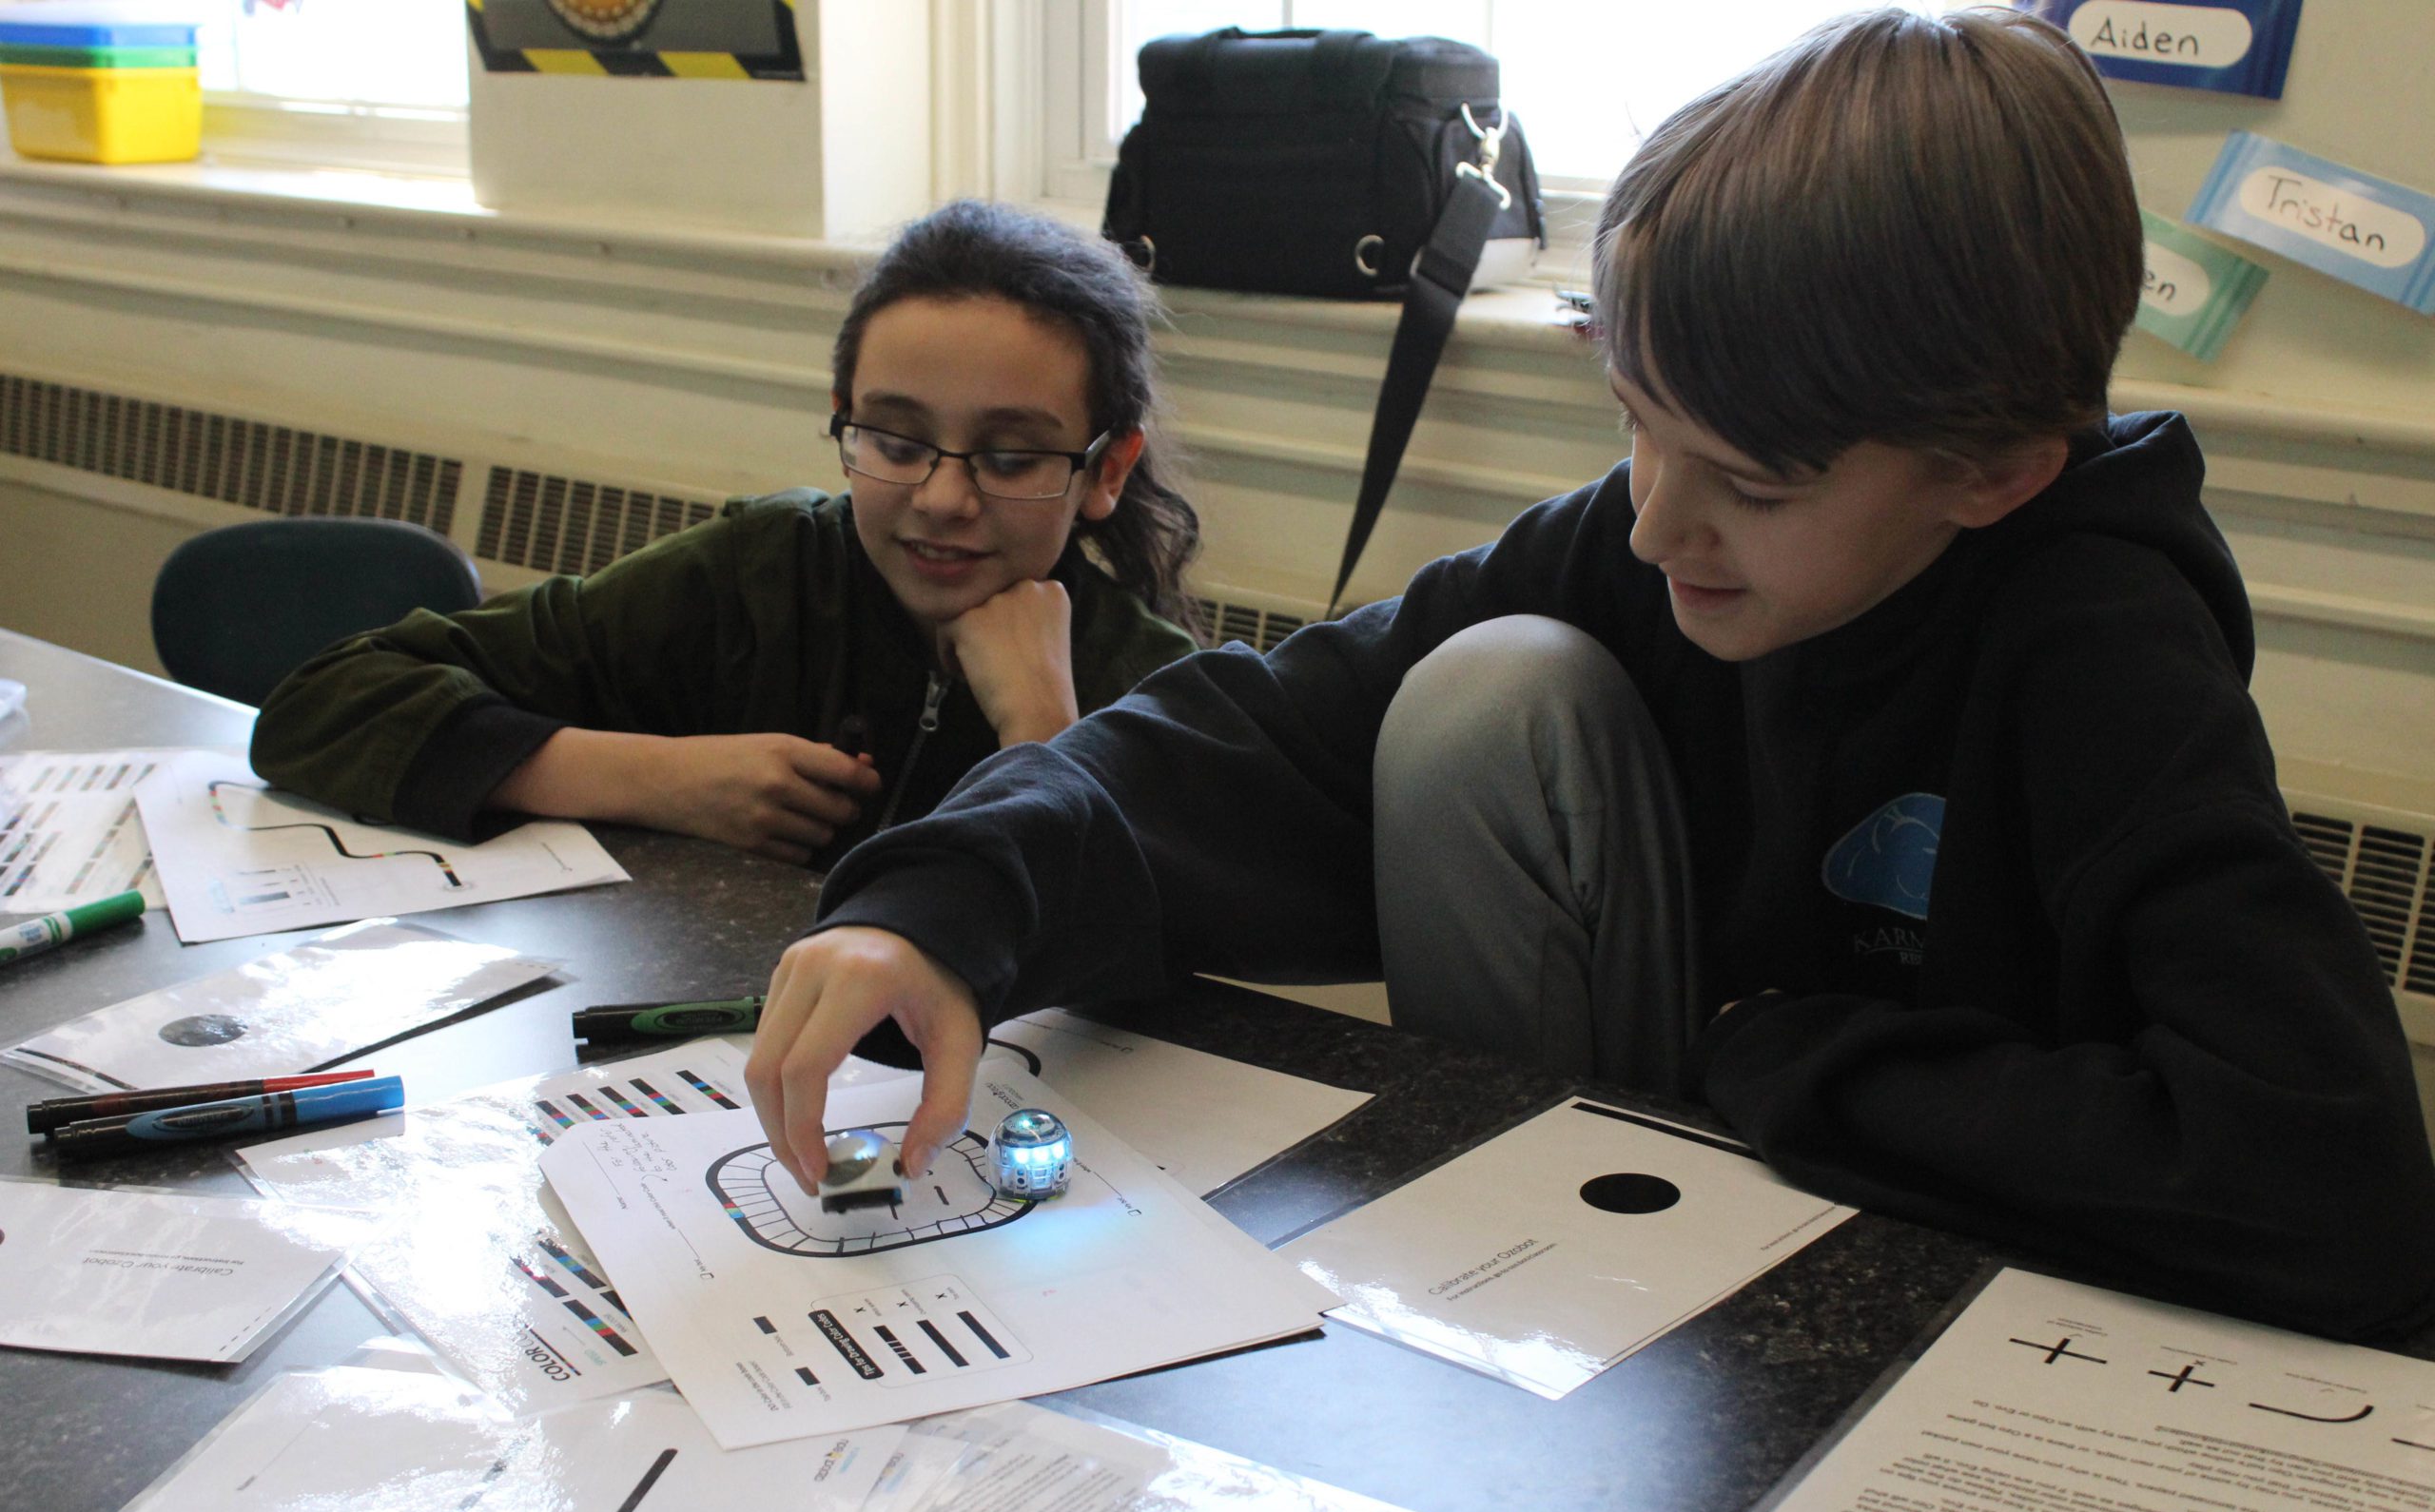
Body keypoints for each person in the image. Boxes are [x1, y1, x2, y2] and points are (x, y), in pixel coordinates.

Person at [741, 10, 2435, 1338]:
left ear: (1990, 473)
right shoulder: (1640, 535)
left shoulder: (2101, 645)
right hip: (1683, 1219)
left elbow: (2327, 1179)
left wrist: (1769, 1053)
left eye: (1755, 484)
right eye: (1635, 424)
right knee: (1492, 677)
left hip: (1999, 1286)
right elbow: (1254, 727)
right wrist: (944, 899)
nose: (1656, 524)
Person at [249, 200, 1201, 866]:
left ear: (1105, 470)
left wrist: (1042, 734)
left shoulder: (1149, 681)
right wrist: (646, 777)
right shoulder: (756, 576)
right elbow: (323, 705)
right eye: (897, 441)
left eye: (1010, 458)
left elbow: (1151, 952)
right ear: (845, 418)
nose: (943, 500)